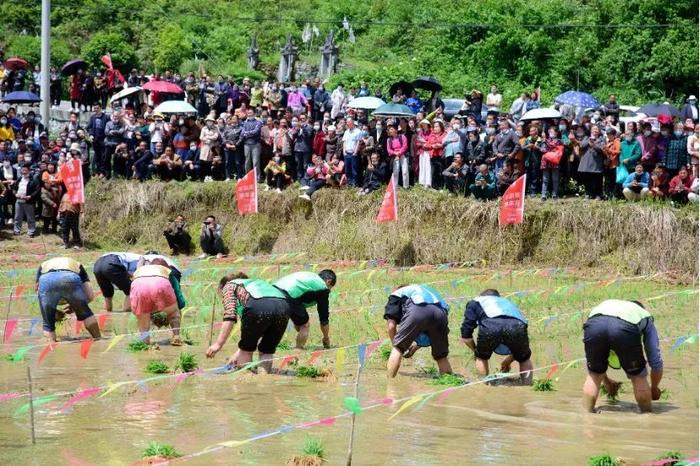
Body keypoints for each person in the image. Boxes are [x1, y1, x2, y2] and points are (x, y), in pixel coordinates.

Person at [582, 300, 663, 413]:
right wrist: (654, 388)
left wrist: (606, 381)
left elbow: (596, 361)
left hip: (594, 324)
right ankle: (647, 417)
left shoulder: (606, 305)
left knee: (594, 375)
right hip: (624, 328)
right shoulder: (644, 315)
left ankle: (587, 415)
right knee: (638, 377)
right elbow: (655, 359)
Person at [206, 274, 291, 373]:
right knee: (266, 350)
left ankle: (245, 381)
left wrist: (218, 344)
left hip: (258, 306)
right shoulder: (253, 284)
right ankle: (264, 380)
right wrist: (239, 351)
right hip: (284, 307)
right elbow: (252, 335)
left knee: (247, 351)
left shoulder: (228, 286)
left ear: (221, 287)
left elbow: (230, 315)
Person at [460, 289, 533, 384]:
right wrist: (509, 360)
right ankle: (527, 385)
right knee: (524, 359)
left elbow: (466, 334)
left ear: (481, 296)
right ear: (498, 297)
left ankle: (483, 386)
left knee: (482, 357)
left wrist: (476, 352)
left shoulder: (476, 301)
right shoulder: (508, 303)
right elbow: (522, 339)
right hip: (517, 326)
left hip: (491, 326)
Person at [383, 284, 452, 378]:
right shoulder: (428, 290)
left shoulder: (397, 294)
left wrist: (398, 345)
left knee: (398, 348)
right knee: (441, 356)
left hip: (417, 310)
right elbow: (428, 325)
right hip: (441, 314)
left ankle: (390, 385)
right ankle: (449, 382)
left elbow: (391, 327)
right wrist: (414, 348)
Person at [36, 257, 101, 342]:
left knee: (48, 324)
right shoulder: (77, 264)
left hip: (46, 279)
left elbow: (39, 293)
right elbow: (90, 296)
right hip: (70, 277)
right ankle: (98, 340)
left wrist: (51, 310)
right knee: (86, 314)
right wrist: (77, 307)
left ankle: (51, 348)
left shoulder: (43, 265)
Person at [273, 270, 336, 349]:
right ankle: (298, 351)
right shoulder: (323, 288)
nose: (329, 291)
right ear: (329, 282)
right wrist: (326, 337)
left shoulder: (310, 277)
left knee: (272, 321)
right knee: (305, 325)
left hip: (273, 290)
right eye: (330, 288)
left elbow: (297, 310)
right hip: (288, 294)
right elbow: (324, 318)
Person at [129, 260, 182, 345]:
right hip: (160, 283)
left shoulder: (140, 270)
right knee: (174, 313)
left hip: (138, 285)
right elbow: (180, 301)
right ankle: (176, 337)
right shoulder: (166, 271)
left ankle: (144, 343)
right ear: (166, 266)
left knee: (143, 325)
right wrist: (175, 311)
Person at [12, 164, 39, 237]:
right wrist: (15, 194)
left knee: (30, 217)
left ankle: (31, 231)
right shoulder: (19, 178)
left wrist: (30, 196)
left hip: (28, 202)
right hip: (18, 201)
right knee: (17, 217)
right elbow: (14, 189)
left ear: (29, 170)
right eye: (22, 170)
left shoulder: (34, 179)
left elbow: (37, 191)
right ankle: (16, 230)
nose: (23, 171)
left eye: (24, 170)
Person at [342, 117, 363, 187]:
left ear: (352, 122)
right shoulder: (346, 132)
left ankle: (355, 183)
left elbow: (358, 142)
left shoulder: (358, 131)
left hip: (353, 153)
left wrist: (355, 152)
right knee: (347, 169)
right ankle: (349, 183)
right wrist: (344, 151)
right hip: (347, 153)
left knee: (354, 170)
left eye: (349, 122)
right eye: (347, 122)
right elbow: (344, 142)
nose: (347, 124)